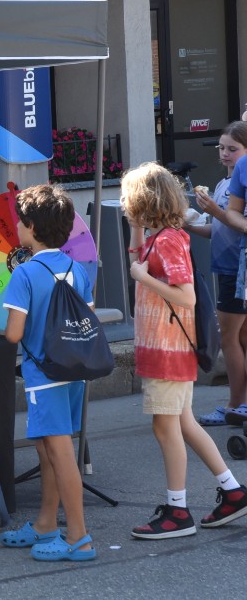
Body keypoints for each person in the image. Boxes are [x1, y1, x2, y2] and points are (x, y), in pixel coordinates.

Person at [122, 161, 247, 539]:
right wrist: (136, 227)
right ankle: (232, 491)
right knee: (184, 424)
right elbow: (137, 255)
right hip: (165, 348)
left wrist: (144, 276)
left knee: (166, 427)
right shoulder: (160, 236)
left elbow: (186, 296)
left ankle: (178, 511)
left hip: (169, 350)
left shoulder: (171, 240)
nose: (126, 206)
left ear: (144, 201)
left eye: (130, 202)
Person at [0, 184, 95, 562]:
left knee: (59, 452)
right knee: (50, 449)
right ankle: (44, 523)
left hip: (43, 374)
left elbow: (14, 334)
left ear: (32, 228)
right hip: (73, 369)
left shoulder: (25, 274)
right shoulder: (76, 267)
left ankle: (78, 536)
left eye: (21, 223)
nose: (18, 228)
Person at [186, 121, 247, 425]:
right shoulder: (225, 184)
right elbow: (219, 229)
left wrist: (213, 210)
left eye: (232, 149)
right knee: (239, 338)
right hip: (226, 265)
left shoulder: (242, 181)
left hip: (237, 267)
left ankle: (235, 404)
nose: (224, 154)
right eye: (221, 148)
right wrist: (187, 225)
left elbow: (238, 224)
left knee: (228, 338)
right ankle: (239, 403)